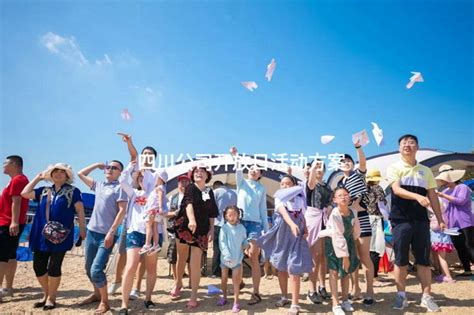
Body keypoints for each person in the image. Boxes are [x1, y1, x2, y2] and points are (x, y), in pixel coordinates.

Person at [386, 134, 445, 312]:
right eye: (404, 143)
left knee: (423, 260)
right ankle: (401, 296)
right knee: (401, 259)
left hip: (421, 220)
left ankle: (426, 296)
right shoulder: (394, 167)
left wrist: (440, 219)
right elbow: (396, 189)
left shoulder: (425, 171)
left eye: (411, 142)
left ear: (417, 147)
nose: (407, 145)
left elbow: (433, 195)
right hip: (400, 220)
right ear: (399, 148)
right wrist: (418, 196)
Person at [21, 163, 86, 310]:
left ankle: (51, 297)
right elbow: (24, 193)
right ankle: (46, 293)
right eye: (55, 172)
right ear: (50, 175)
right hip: (41, 234)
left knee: (54, 267)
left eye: (62, 172)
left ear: (67, 176)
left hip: (61, 235)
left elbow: (80, 211)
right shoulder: (43, 191)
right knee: (38, 266)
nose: (58, 174)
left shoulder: (73, 191)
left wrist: (82, 229)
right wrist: (37, 178)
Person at [108, 133, 159, 296]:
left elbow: (159, 194)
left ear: (155, 158)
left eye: (151, 155)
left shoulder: (157, 174)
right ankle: (117, 281)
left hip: (149, 223)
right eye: (146, 154)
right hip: (132, 222)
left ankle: (137, 287)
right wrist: (130, 143)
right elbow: (133, 157)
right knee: (124, 253)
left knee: (144, 258)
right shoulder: (137, 169)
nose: (148, 157)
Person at [77, 160, 128, 313]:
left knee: (96, 269)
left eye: (114, 168)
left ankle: (105, 302)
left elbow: (122, 211)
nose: (110, 169)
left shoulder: (120, 188)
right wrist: (96, 164)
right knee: (88, 268)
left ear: (120, 172)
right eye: (108, 167)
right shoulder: (99, 185)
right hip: (92, 232)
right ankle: (97, 294)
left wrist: (112, 232)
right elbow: (80, 174)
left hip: (107, 234)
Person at [257, 175, 312, 315]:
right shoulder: (279, 197)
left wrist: (304, 227)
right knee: (281, 267)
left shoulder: (300, 199)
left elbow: (302, 215)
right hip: (283, 235)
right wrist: (293, 224)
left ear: (294, 185)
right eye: (282, 184)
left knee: (294, 267)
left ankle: (295, 303)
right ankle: (284, 297)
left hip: (296, 235)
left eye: (288, 183)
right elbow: (283, 213)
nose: (285, 186)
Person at [118, 161, 162, 314]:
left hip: (153, 234)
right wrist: (131, 166)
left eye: (147, 178)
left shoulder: (157, 193)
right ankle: (124, 305)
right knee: (131, 266)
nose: (144, 181)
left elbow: (166, 209)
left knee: (151, 268)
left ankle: (148, 298)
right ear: (138, 180)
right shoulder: (134, 193)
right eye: (141, 178)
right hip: (135, 232)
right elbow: (122, 180)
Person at [172, 166, 218, 309]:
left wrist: (211, 230)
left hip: (202, 229)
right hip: (185, 226)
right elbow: (188, 204)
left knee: (195, 263)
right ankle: (178, 282)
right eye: (196, 172)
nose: (199, 173)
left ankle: (193, 296)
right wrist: (191, 220)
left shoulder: (209, 191)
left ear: (207, 176)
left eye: (202, 172)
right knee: (181, 258)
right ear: (192, 175)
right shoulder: (190, 188)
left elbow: (212, 212)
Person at [230, 146, 268, 305]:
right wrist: (235, 156)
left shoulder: (262, 188)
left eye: (257, 169)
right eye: (251, 168)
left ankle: (256, 292)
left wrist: (266, 230)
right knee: (236, 256)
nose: (253, 170)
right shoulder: (242, 183)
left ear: (260, 175)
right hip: (240, 222)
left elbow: (263, 209)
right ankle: (240, 283)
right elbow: (238, 170)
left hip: (255, 224)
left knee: (253, 256)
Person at [338, 142, 375, 305]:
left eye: (348, 161)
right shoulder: (340, 183)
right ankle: (356, 289)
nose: (345, 163)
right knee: (352, 258)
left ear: (352, 163)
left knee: (365, 257)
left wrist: (358, 148)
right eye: (342, 162)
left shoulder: (358, 175)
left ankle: (370, 291)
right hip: (349, 222)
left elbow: (363, 162)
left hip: (363, 219)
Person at [319, 187, 361, 315]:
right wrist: (345, 256)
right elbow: (338, 235)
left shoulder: (353, 211)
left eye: (346, 195)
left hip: (347, 242)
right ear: (335, 200)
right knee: (334, 272)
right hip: (334, 244)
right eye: (340, 195)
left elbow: (356, 230)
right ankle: (335, 303)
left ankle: (345, 300)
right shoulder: (335, 214)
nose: (344, 197)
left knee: (346, 272)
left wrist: (353, 243)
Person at [435, 164, 473, 277]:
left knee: (469, 245)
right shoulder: (445, 191)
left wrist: (443, 196)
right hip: (451, 224)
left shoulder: (462, 187)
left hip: (465, 221)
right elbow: (443, 207)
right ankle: (467, 270)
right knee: (459, 247)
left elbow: (460, 201)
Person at [0, 155, 29, 302]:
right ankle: (8, 288)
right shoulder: (15, 180)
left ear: (14, 164)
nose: (3, 165)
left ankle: (5, 288)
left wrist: (14, 221)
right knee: (10, 254)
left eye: (5, 162)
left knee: (2, 255)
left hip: (8, 222)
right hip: (8, 221)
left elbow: (16, 202)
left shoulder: (19, 180)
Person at [304, 160, 332, 304]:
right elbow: (310, 183)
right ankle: (311, 289)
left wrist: (329, 207)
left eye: (321, 167)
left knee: (322, 257)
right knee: (315, 256)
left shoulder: (327, 186)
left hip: (324, 220)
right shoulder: (310, 184)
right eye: (316, 167)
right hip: (312, 220)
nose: (319, 169)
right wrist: (314, 166)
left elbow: (331, 201)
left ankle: (322, 286)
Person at [217, 206, 249, 313]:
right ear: (226, 216)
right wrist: (227, 255)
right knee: (224, 279)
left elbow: (245, 240)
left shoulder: (242, 228)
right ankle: (224, 297)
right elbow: (222, 243)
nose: (232, 217)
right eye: (229, 215)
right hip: (225, 260)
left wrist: (246, 245)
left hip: (237, 260)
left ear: (238, 215)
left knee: (236, 281)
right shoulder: (224, 228)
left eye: (234, 215)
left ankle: (236, 302)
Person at [166, 174, 191, 283]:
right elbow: (166, 213)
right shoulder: (172, 197)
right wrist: (175, 213)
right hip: (174, 230)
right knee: (173, 256)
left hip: (189, 230)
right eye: (182, 182)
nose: (184, 184)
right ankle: (177, 280)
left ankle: (191, 281)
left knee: (190, 257)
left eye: (186, 182)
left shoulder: (193, 197)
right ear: (178, 184)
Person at [365, 169, 388, 284]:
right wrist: (388, 219)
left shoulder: (364, 189)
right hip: (375, 219)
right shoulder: (377, 189)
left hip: (365, 219)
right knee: (376, 248)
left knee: (369, 248)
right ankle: (373, 275)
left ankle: (371, 274)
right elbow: (382, 206)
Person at [212, 180, 237, 278]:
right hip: (231, 224)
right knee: (230, 248)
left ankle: (216, 271)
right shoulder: (233, 193)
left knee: (217, 248)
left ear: (215, 186)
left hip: (218, 223)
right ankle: (230, 269)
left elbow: (212, 208)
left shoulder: (215, 192)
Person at [140, 170, 168, 255]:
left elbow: (159, 198)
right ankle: (156, 245)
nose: (155, 179)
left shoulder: (159, 188)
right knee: (155, 227)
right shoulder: (163, 188)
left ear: (160, 179)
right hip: (157, 211)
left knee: (148, 226)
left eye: (157, 177)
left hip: (153, 210)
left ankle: (147, 244)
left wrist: (159, 207)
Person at [428, 208, 455, 283]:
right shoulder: (445, 215)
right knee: (442, 258)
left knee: (442, 259)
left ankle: (448, 276)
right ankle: (444, 275)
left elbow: (434, 227)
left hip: (439, 240)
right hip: (444, 240)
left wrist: (430, 223)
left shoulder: (436, 217)